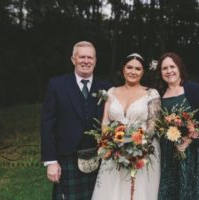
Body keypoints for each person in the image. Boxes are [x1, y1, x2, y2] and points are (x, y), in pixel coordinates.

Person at [40, 41, 111, 200]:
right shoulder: (57, 85)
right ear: (73, 59)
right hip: (67, 157)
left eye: (90, 57)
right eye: (82, 57)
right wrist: (51, 161)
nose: (86, 61)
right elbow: (47, 125)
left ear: (95, 60)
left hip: (99, 158)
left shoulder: (106, 86)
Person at [91, 53, 161, 200]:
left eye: (138, 68)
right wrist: (112, 144)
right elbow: (105, 122)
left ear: (143, 72)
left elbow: (152, 126)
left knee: (137, 192)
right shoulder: (111, 92)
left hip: (141, 151)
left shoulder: (151, 94)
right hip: (113, 151)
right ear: (123, 69)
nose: (133, 71)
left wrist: (136, 148)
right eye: (129, 67)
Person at [156, 52, 199, 200]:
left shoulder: (194, 89)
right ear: (160, 72)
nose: (169, 71)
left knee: (196, 188)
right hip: (170, 150)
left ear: (180, 67)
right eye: (164, 68)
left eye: (172, 66)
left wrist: (190, 138)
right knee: (172, 188)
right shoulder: (159, 93)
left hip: (194, 149)